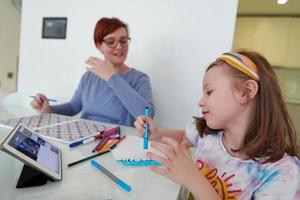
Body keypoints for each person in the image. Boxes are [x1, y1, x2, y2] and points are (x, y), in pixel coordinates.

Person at [134, 50, 300, 199]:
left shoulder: (283, 173)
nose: (200, 102)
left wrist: (194, 181)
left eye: (209, 92)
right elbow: (183, 137)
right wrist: (158, 134)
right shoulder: (208, 134)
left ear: (247, 91)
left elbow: (195, 183)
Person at [31, 17, 154, 126]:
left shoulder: (139, 78)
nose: (119, 46)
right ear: (98, 46)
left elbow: (147, 115)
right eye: (111, 42)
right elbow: (73, 107)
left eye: (123, 41)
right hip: (85, 137)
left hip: (118, 141)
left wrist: (111, 77)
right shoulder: (89, 76)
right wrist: (48, 110)